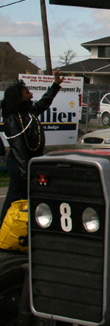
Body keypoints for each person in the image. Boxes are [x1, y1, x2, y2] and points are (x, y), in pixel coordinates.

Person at [1, 69, 63, 224]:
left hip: (30, 162)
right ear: (18, 97)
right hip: (19, 164)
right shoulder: (12, 119)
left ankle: (24, 228)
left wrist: (55, 85)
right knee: (14, 197)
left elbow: (44, 102)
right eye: (27, 92)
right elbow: (18, 148)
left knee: (29, 198)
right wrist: (26, 173)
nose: (31, 94)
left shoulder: (29, 112)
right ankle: (3, 227)